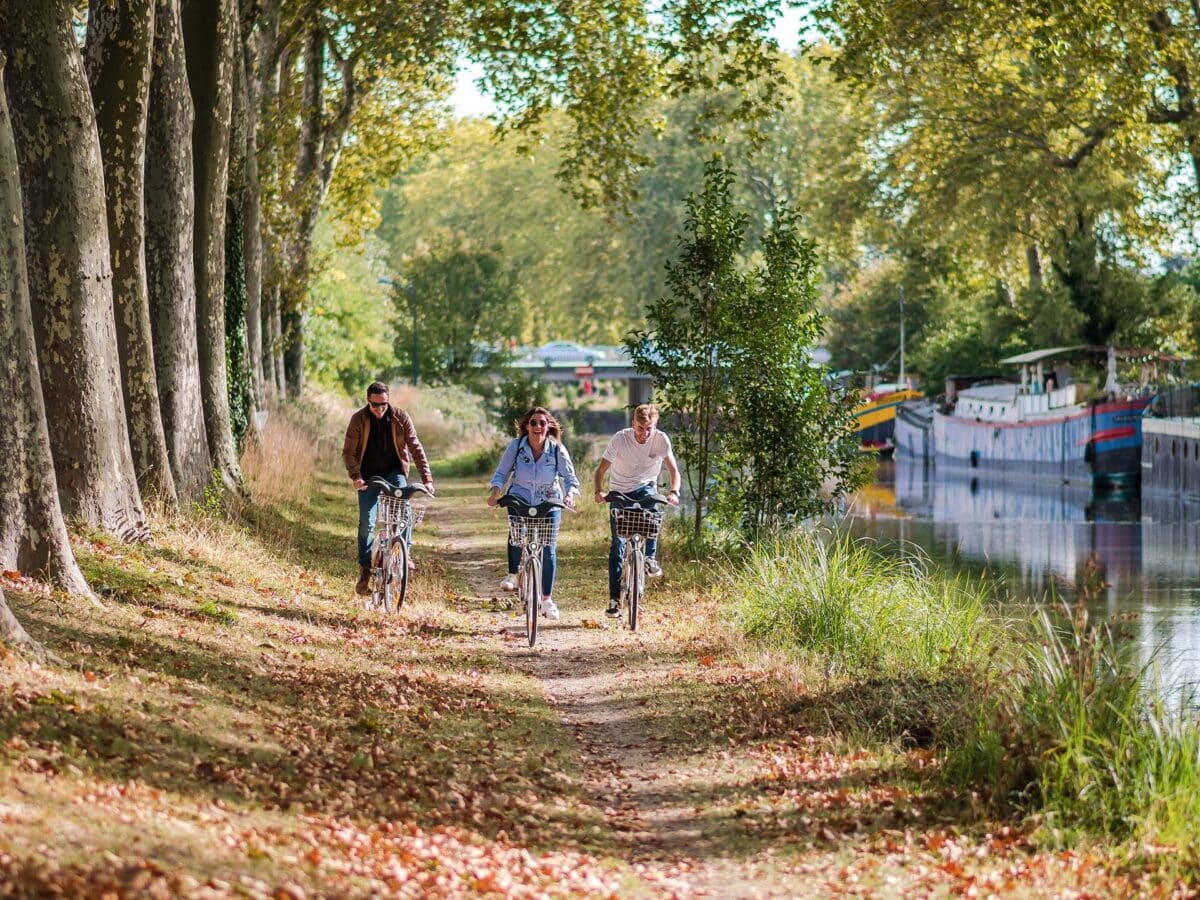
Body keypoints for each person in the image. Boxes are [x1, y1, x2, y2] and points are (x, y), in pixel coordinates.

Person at [486, 407, 580, 621]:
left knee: (548, 547)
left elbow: (570, 478)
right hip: (519, 496)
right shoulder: (516, 446)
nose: (538, 427)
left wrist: (569, 495)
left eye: (542, 423)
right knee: (516, 534)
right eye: (533, 423)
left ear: (548, 427)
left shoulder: (556, 449)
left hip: (549, 500)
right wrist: (495, 492)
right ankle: (513, 574)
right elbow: (502, 472)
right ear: (527, 426)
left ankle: (547, 599)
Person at [342, 382, 434, 595]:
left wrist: (427, 479)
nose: (380, 409)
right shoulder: (358, 419)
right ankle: (365, 569)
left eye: (383, 404)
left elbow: (415, 448)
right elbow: (348, 452)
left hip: (394, 472)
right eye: (375, 405)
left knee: (404, 510)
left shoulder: (401, 418)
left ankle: (404, 553)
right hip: (368, 476)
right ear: (368, 401)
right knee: (367, 522)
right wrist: (356, 476)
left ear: (388, 400)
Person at [593, 404, 681, 618]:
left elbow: (674, 471)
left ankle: (649, 558)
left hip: (645, 488)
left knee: (653, 506)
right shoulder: (620, 439)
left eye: (649, 428)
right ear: (633, 424)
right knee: (618, 545)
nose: (645, 433)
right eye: (641, 428)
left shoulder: (661, 440)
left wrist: (673, 492)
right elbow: (601, 470)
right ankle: (614, 599)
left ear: (655, 425)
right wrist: (599, 491)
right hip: (620, 491)